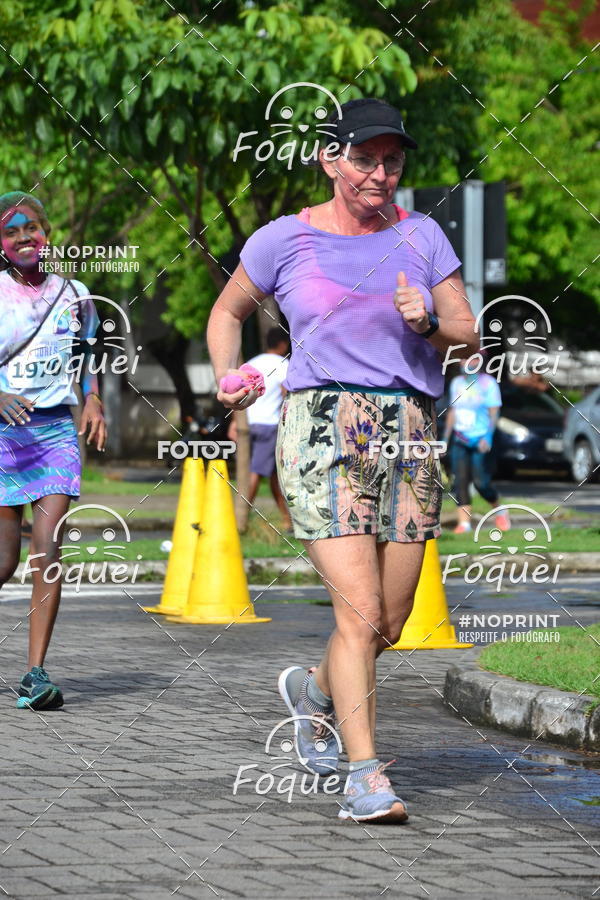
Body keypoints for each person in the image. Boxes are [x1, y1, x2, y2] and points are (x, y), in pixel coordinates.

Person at [208, 98, 478, 823]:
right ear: (331, 160)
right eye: (364, 158)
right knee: (357, 612)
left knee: (389, 619)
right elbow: (227, 310)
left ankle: (315, 694)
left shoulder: (424, 235)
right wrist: (227, 375)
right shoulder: (283, 239)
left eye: (392, 161)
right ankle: (365, 778)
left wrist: (426, 318)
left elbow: (466, 333)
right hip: (324, 425)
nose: (380, 174)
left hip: (412, 428)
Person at [0, 191, 106, 710]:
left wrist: (92, 399)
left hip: (54, 435)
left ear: (47, 232)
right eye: (11, 230)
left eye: (31, 227)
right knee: (4, 559)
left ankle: (35, 673)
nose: (24, 238)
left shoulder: (75, 293)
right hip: (2, 438)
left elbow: (87, 353)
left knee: (48, 546)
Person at [229, 327, 292, 530]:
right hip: (269, 426)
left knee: (274, 475)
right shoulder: (283, 364)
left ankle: (287, 521)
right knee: (256, 472)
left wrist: (233, 423)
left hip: (248, 424)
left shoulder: (252, 364)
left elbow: (237, 392)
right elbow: (286, 392)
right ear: (283, 344)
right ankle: (240, 519)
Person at [444, 355, 510, 533]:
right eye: (464, 359)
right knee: (460, 481)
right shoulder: (456, 383)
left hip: (480, 439)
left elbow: (494, 412)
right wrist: (445, 438)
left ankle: (499, 510)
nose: (467, 363)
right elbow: (453, 411)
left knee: (481, 482)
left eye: (473, 359)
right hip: (460, 439)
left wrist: (488, 436)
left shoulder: (488, 383)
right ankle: (464, 523)